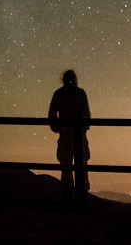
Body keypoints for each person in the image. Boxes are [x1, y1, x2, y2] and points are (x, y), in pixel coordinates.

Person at [48, 69, 91, 206]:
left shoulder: (62, 94)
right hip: (71, 134)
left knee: (71, 166)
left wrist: (58, 128)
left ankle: (72, 199)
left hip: (70, 134)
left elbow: (52, 114)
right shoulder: (78, 93)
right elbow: (87, 114)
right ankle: (77, 198)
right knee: (74, 166)